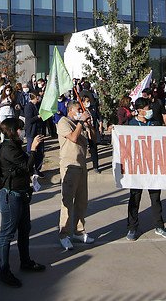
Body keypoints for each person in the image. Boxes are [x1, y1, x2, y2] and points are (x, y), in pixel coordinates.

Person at [0, 118, 46, 287]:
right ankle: (4, 271)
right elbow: (26, 166)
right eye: (20, 129)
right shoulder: (8, 148)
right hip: (11, 196)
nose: (22, 132)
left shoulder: (14, 146)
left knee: (25, 229)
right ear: (12, 131)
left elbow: (29, 166)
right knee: (7, 234)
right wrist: (32, 150)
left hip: (21, 194)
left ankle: (25, 261)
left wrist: (33, 152)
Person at [125, 98, 166, 241]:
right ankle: (132, 228)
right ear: (139, 111)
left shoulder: (155, 123)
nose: (149, 111)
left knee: (156, 198)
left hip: (153, 167)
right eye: (147, 108)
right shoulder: (131, 125)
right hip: (137, 168)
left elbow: (164, 137)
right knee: (135, 198)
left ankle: (159, 226)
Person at [56, 101, 95, 251]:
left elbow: (93, 139)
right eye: (79, 109)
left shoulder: (81, 124)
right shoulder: (63, 122)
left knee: (81, 201)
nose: (81, 111)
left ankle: (79, 230)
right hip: (69, 165)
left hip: (82, 165)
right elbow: (72, 137)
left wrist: (89, 126)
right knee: (67, 201)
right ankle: (64, 234)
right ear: (71, 110)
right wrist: (80, 122)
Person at [22, 92, 45, 180]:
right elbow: (29, 120)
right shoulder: (28, 106)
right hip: (32, 132)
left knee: (40, 151)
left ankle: (37, 169)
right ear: (34, 98)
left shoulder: (38, 105)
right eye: (37, 97)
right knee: (31, 150)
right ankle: (30, 169)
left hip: (39, 131)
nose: (39, 98)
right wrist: (38, 116)